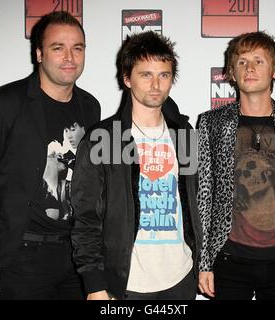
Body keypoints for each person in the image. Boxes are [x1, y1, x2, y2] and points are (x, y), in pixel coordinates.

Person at [0, 11, 101, 299]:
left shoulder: (91, 107)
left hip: (76, 257)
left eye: (78, 48)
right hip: (21, 257)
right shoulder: (3, 104)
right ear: (38, 53)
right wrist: (1, 233)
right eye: (57, 47)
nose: (69, 57)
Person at [71, 31, 202, 300]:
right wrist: (95, 284)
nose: (156, 84)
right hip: (125, 284)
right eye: (146, 74)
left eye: (163, 75)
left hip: (181, 279)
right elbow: (85, 217)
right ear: (127, 78)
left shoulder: (185, 134)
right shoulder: (103, 138)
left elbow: (198, 203)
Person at [197, 31, 275, 300]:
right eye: (242, 62)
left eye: (259, 60)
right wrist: (203, 262)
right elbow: (204, 196)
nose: (250, 68)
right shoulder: (213, 123)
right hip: (229, 258)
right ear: (231, 72)